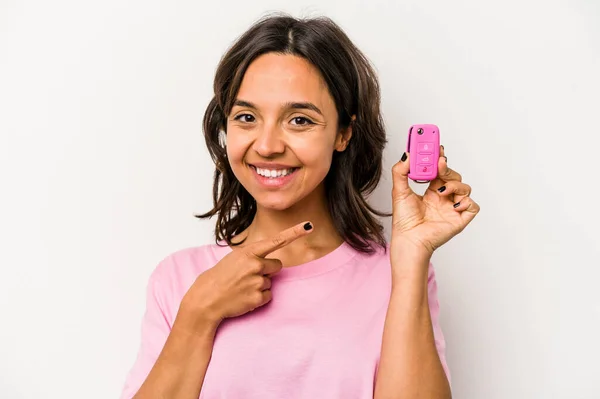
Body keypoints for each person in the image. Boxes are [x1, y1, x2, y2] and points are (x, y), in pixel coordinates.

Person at [120, 13, 480, 399]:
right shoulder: (180, 279)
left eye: (299, 120)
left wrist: (411, 259)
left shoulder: (398, 277)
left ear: (343, 133)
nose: (268, 145)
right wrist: (197, 316)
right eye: (246, 117)